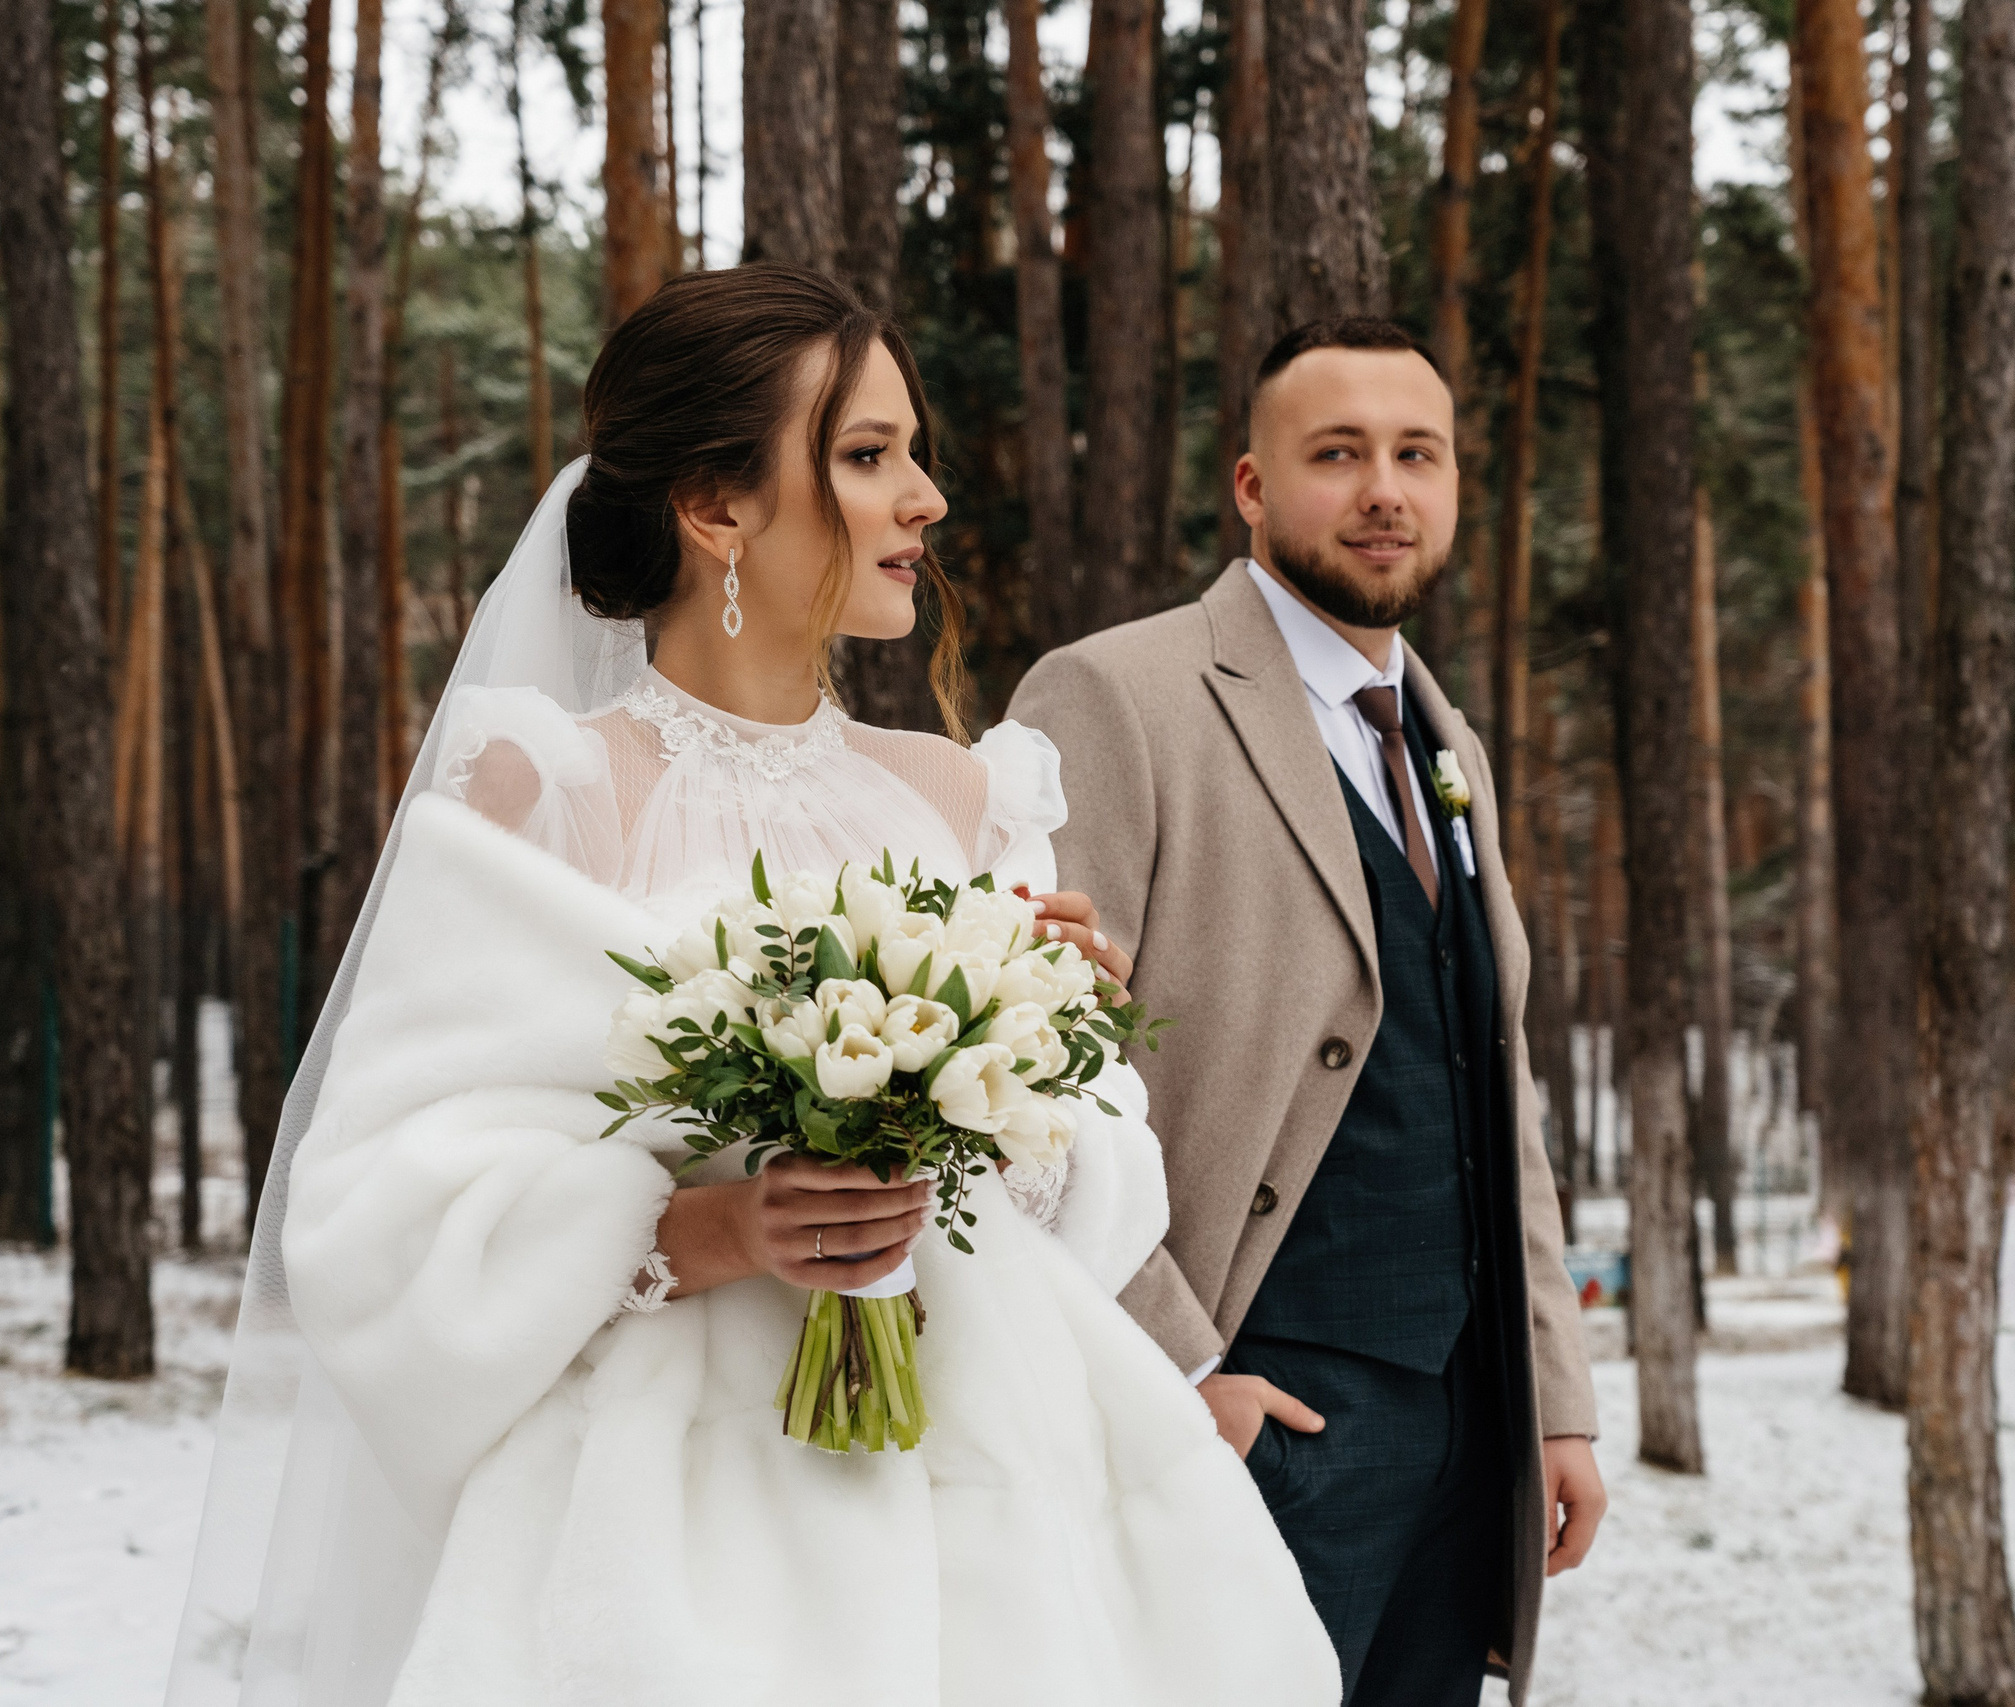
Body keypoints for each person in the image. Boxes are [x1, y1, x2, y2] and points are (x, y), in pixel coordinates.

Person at [164, 266, 1336, 1707]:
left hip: (990, 1511)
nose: (925, 500)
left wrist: (1040, 1050)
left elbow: (1081, 1212)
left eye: (913, 454)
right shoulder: (551, 787)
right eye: (865, 455)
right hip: (659, 1523)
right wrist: (706, 1230)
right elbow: (387, 1212)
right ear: (716, 509)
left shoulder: (966, 801)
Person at [1008, 318, 1608, 1707]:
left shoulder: (1446, 741)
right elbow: (1022, 1081)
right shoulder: (1116, 694)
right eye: (1337, 455)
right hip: (1255, 1420)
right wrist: (1186, 1377)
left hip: (1470, 1437)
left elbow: (1490, 1085)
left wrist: (1552, 1400)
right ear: (1253, 487)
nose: (1384, 489)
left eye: (1418, 454)